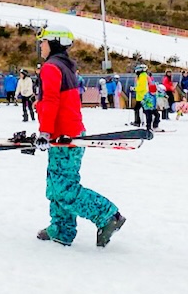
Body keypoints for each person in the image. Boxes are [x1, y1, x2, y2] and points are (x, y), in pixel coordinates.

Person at [34, 27, 125, 248]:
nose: (41, 46)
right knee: (56, 183)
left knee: (64, 188)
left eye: (43, 42)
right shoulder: (65, 66)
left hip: (64, 136)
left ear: (54, 43)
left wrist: (45, 131)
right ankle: (62, 229)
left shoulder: (51, 68)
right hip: (68, 134)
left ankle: (107, 215)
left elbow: (51, 101)